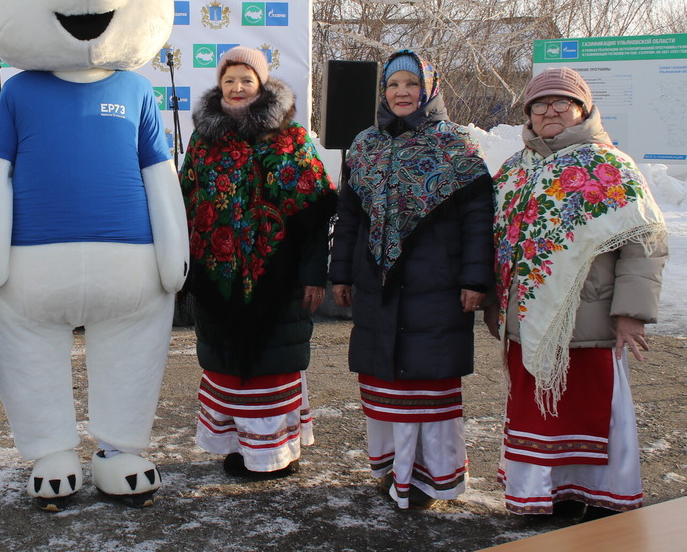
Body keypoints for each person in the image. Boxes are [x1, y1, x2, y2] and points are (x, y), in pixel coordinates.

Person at [490, 67, 667, 520]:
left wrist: (631, 313)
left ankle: (594, 493)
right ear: (528, 113)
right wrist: (493, 303)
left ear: (582, 109)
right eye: (539, 105)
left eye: (561, 103)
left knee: (587, 405)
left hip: (589, 322)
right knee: (535, 410)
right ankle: (542, 494)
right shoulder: (515, 170)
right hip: (527, 323)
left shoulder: (610, 166)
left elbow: (644, 245)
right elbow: (497, 244)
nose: (550, 111)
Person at [329, 49, 494, 510]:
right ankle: (391, 470)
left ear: (430, 89)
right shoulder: (365, 144)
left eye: (412, 84)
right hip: (378, 285)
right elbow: (349, 218)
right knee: (385, 386)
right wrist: (340, 272)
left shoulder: (456, 147)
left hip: (437, 288)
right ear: (383, 93)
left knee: (428, 384)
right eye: (393, 85)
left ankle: (430, 480)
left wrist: (476, 280)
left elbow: (480, 220)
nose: (402, 93)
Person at [180, 46, 337, 479]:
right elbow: (186, 202)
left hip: (277, 278)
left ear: (261, 84)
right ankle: (237, 445)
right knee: (226, 364)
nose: (236, 87)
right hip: (217, 277)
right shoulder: (203, 140)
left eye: (245, 79)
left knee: (271, 365)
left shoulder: (290, 138)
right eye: (229, 79)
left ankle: (275, 453)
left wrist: (312, 275)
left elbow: (313, 212)